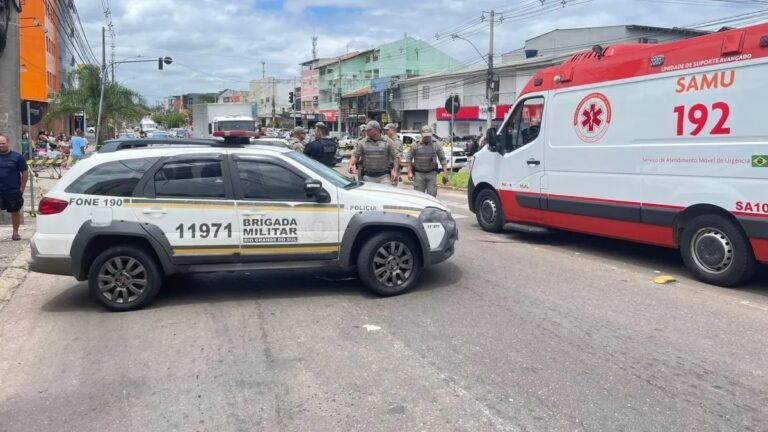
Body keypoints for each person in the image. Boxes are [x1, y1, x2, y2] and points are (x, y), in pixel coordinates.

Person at [0, 135, 30, 241]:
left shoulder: (17, 157)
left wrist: (21, 189)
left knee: (15, 212)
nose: (1, 145)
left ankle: (15, 232)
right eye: (0, 143)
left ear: (8, 143)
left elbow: (25, 173)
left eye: (3, 143)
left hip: (13, 190)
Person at [406, 126, 449, 197]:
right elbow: (408, 158)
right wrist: (409, 172)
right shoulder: (415, 144)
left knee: (432, 195)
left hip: (431, 173)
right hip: (419, 174)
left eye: (429, 136)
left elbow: (443, 159)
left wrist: (445, 173)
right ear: (421, 135)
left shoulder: (436, 144)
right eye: (425, 136)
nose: (427, 138)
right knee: (419, 196)